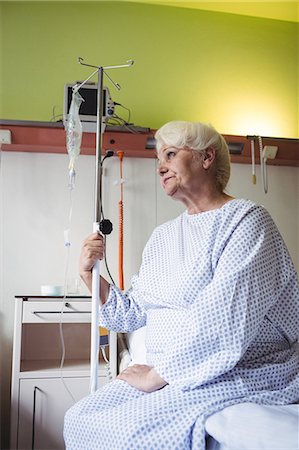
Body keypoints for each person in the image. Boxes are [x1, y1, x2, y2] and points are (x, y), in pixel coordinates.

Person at [64, 121, 299, 450]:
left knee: (131, 437)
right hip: (165, 370)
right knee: (78, 418)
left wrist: (156, 376)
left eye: (171, 154)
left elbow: (224, 319)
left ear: (206, 158)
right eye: (159, 158)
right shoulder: (162, 237)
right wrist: (89, 275)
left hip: (235, 368)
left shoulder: (247, 220)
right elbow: (131, 315)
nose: (160, 166)